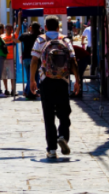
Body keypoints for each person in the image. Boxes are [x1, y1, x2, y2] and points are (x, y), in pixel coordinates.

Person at [30, 16, 82, 160]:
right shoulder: (65, 40)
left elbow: (34, 60)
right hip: (63, 81)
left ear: (45, 27)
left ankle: (51, 149)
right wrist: (77, 80)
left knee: (48, 115)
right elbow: (73, 60)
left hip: (46, 81)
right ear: (58, 27)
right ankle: (63, 136)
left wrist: (32, 80)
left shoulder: (41, 40)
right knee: (64, 112)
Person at [19, 23, 41, 99]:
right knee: (34, 77)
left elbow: (16, 40)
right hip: (35, 59)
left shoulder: (25, 35)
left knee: (29, 77)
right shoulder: (39, 37)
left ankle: (26, 91)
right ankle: (30, 92)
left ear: (30, 27)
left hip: (26, 58)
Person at [1, 24, 18, 96]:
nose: (8, 30)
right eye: (7, 28)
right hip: (3, 58)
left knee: (12, 75)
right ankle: (6, 89)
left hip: (11, 58)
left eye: (10, 29)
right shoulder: (2, 37)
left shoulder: (13, 36)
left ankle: (13, 90)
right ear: (5, 29)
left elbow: (19, 29)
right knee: (4, 75)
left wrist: (19, 18)